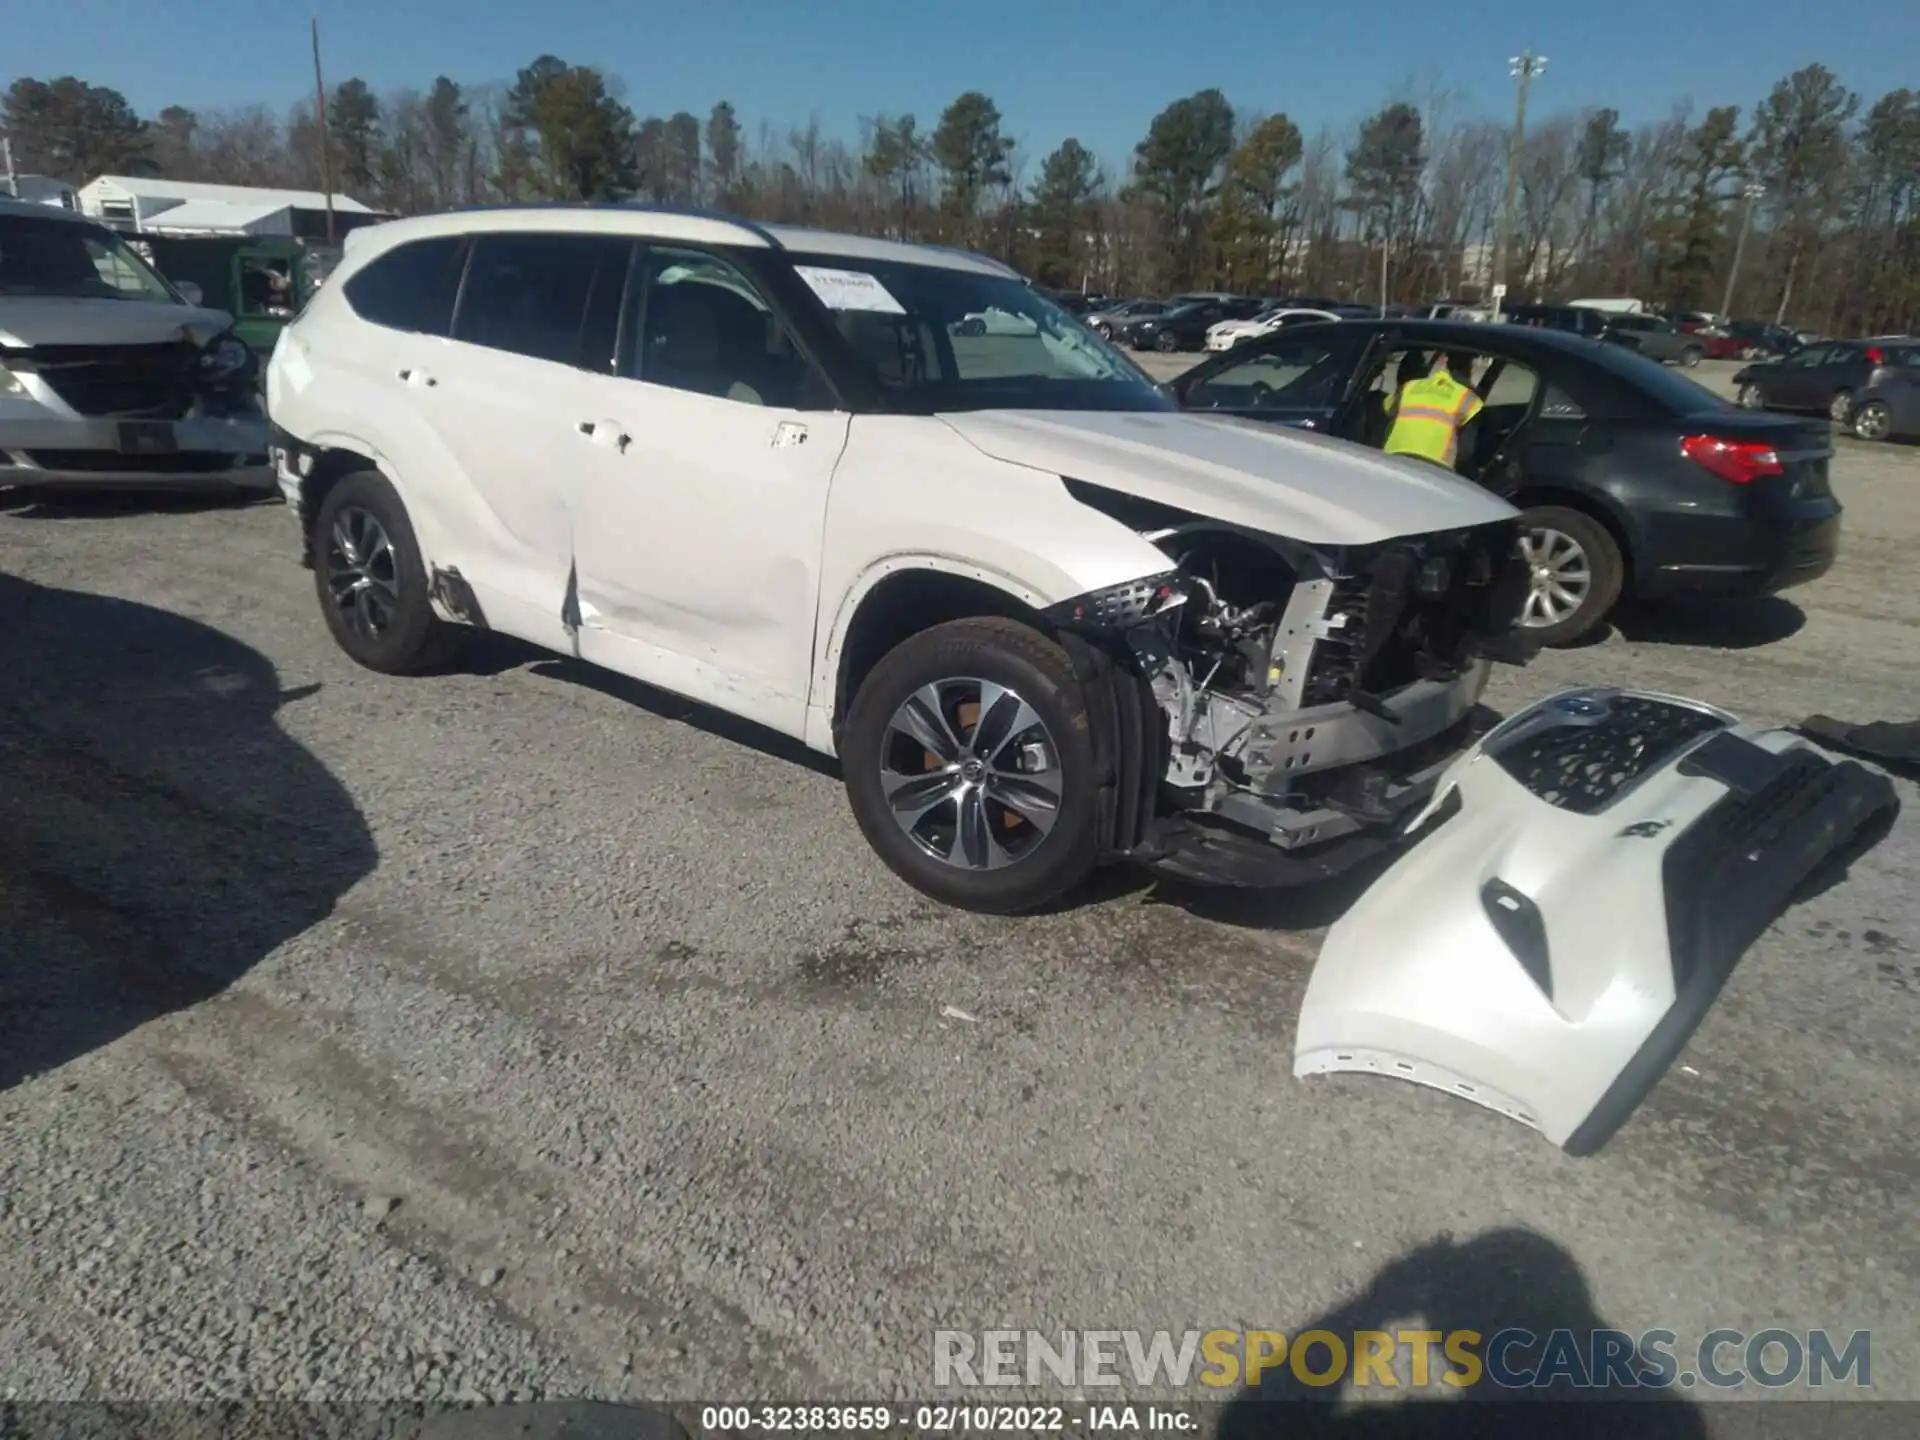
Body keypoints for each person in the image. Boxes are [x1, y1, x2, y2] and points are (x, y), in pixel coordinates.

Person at [1381, 349, 1484, 470]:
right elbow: (1466, 450)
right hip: (1435, 469)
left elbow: (1387, 417)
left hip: (1391, 462)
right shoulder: (1467, 397)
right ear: (1469, 367)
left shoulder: (1407, 388)